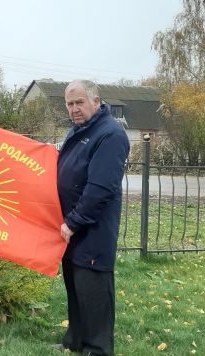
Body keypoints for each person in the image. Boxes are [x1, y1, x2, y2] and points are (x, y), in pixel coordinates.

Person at [56, 80, 129, 355]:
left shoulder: (110, 134)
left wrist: (73, 222)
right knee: (75, 288)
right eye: (69, 104)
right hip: (70, 227)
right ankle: (75, 340)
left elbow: (101, 188)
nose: (74, 109)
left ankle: (97, 348)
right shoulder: (77, 130)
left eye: (79, 103)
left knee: (94, 291)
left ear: (95, 102)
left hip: (92, 228)